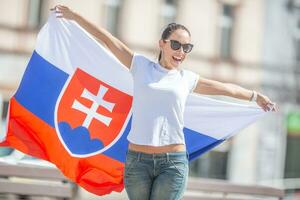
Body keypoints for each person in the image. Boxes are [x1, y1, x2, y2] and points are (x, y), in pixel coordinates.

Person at [52, 5, 276, 200]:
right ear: (162, 43)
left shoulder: (186, 79)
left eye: (186, 48)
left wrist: (255, 96)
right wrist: (75, 16)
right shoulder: (140, 66)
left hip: (173, 163)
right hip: (137, 162)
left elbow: (225, 88)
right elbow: (109, 41)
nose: (181, 52)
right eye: (176, 45)